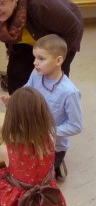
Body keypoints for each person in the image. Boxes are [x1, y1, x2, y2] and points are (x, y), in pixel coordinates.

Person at [24, 34, 83, 180]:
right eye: (35, 58)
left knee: (40, 179)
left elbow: (76, 125)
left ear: (58, 61)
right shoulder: (36, 74)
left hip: (54, 146)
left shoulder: (70, 92)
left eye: (41, 59)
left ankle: (57, 165)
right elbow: (27, 90)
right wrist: (16, 99)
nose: (35, 63)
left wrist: (49, 131)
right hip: (32, 135)